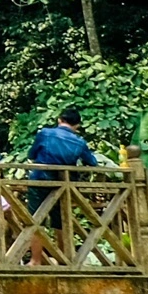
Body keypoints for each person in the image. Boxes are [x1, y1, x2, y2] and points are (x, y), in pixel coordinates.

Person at [25, 106, 98, 265]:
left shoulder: (45, 133)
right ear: (77, 126)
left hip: (39, 180)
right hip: (63, 185)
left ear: (59, 120)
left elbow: (31, 154)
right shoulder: (79, 142)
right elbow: (92, 162)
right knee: (61, 221)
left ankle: (35, 260)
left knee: (36, 220)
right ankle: (63, 259)